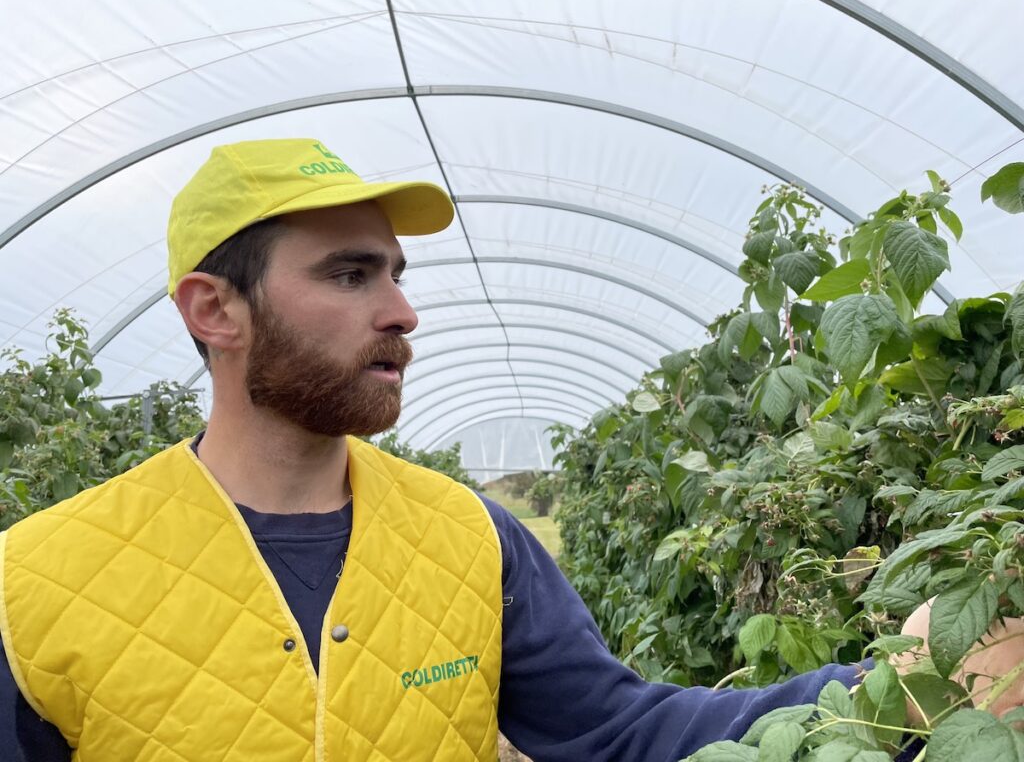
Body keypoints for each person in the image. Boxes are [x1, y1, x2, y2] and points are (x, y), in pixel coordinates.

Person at [0, 138, 1011, 761]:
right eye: (350, 276)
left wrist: (909, 674)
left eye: (395, 275)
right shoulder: (38, 578)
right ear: (212, 309)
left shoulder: (467, 537)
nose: (403, 312)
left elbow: (617, 736)